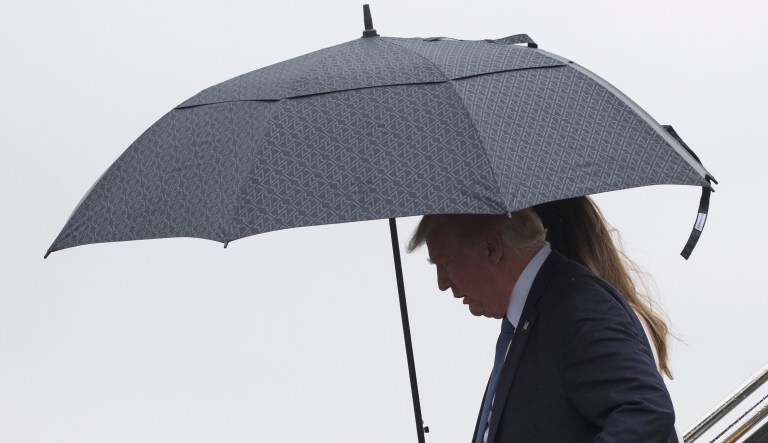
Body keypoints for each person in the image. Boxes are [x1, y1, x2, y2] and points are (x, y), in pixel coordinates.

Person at [406, 197, 677, 442]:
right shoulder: (536, 317)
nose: (442, 283)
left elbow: (645, 413)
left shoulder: (576, 306)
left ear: (492, 248)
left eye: (445, 262)